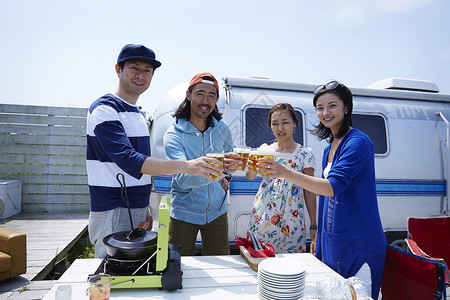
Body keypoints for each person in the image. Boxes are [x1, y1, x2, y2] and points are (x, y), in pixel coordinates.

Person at [86, 45, 223, 258]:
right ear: (118, 70)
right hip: (113, 208)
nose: (141, 75)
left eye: (147, 70)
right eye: (134, 68)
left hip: (136, 206)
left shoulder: (137, 114)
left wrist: (145, 205)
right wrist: (188, 166)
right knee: (109, 272)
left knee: (132, 273)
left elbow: (143, 167)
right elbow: (129, 160)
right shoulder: (105, 109)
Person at [256, 81, 386, 299]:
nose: (325, 113)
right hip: (334, 243)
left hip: (358, 245)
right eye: (320, 108)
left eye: (332, 105)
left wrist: (285, 172)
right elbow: (325, 200)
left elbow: (332, 188)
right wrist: (318, 236)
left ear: (346, 107)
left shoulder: (358, 142)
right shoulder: (329, 147)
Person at [164, 72, 234, 256]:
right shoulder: (173, 135)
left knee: (220, 267)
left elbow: (228, 160)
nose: (205, 101)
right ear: (189, 95)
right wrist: (217, 173)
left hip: (218, 212)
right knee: (179, 268)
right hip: (184, 213)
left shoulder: (222, 129)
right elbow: (183, 178)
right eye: (200, 94)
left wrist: (226, 176)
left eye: (211, 96)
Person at [246, 103, 317, 254]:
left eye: (285, 122)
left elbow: (310, 190)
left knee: (291, 266)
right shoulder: (264, 150)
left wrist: (313, 224)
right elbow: (250, 176)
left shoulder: (305, 153)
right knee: (260, 260)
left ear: (295, 123)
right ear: (270, 126)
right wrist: (251, 164)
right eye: (275, 124)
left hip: (292, 219)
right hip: (263, 216)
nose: (280, 128)